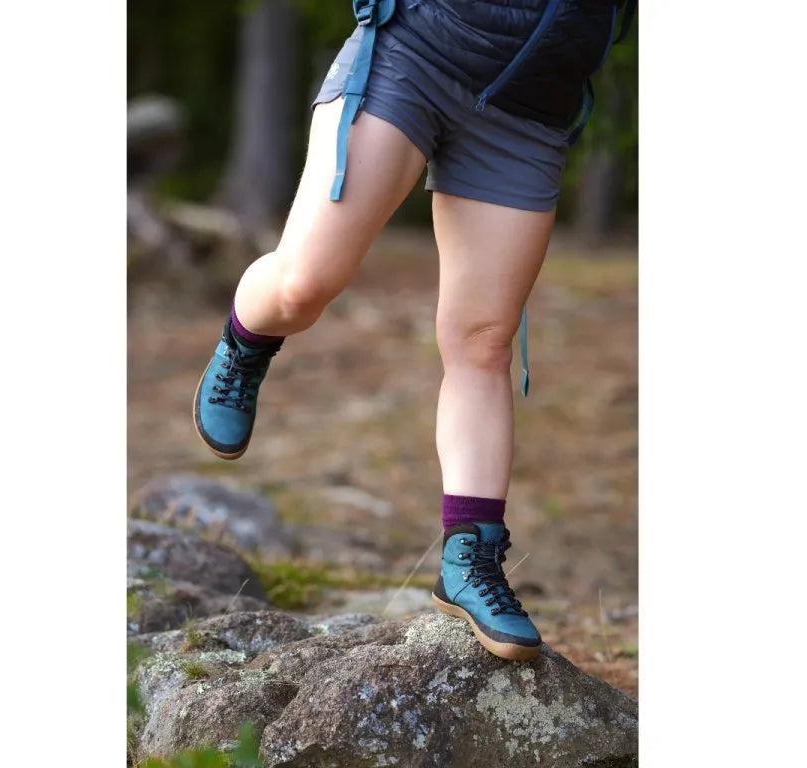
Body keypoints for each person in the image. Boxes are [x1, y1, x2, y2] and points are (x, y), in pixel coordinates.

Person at [194, 0, 628, 661]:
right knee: (305, 281)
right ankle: (245, 342)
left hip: (532, 101)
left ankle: (469, 557)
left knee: (484, 339)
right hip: (417, 52)